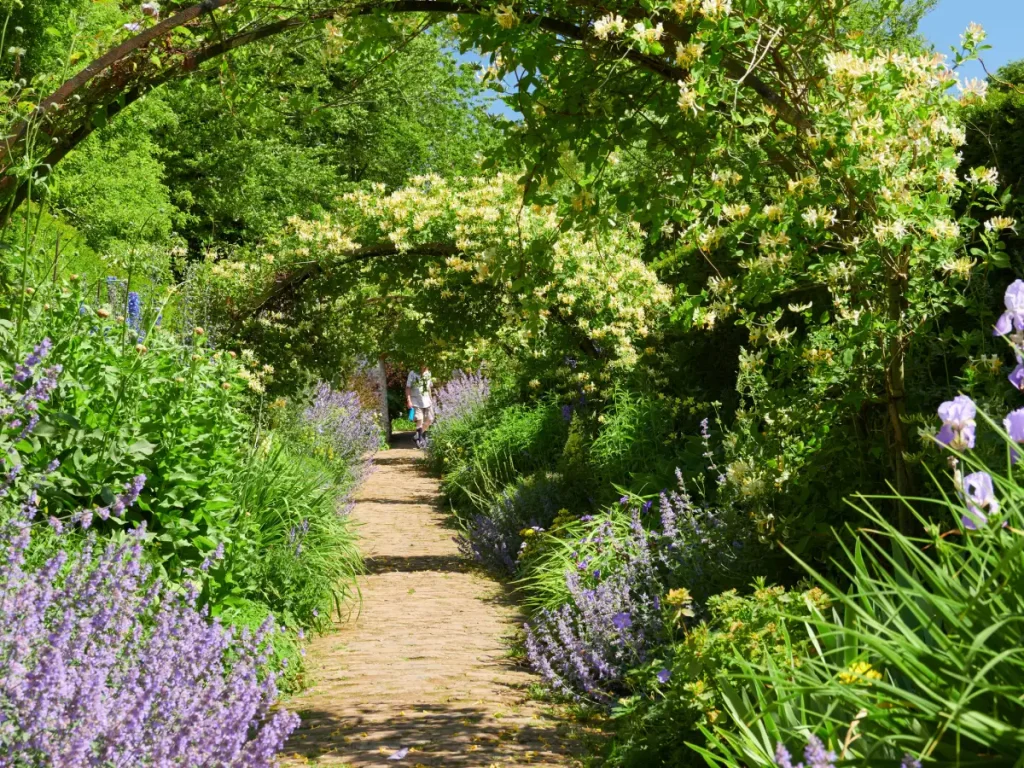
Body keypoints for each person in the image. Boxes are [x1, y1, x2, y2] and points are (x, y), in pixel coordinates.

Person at [405, 364, 434, 442]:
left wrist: (431, 399)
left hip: (427, 400)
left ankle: (417, 435)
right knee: (419, 418)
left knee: (430, 419)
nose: (425, 368)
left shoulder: (428, 373)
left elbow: (428, 388)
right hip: (415, 399)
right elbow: (408, 387)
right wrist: (409, 400)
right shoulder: (412, 373)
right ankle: (420, 439)